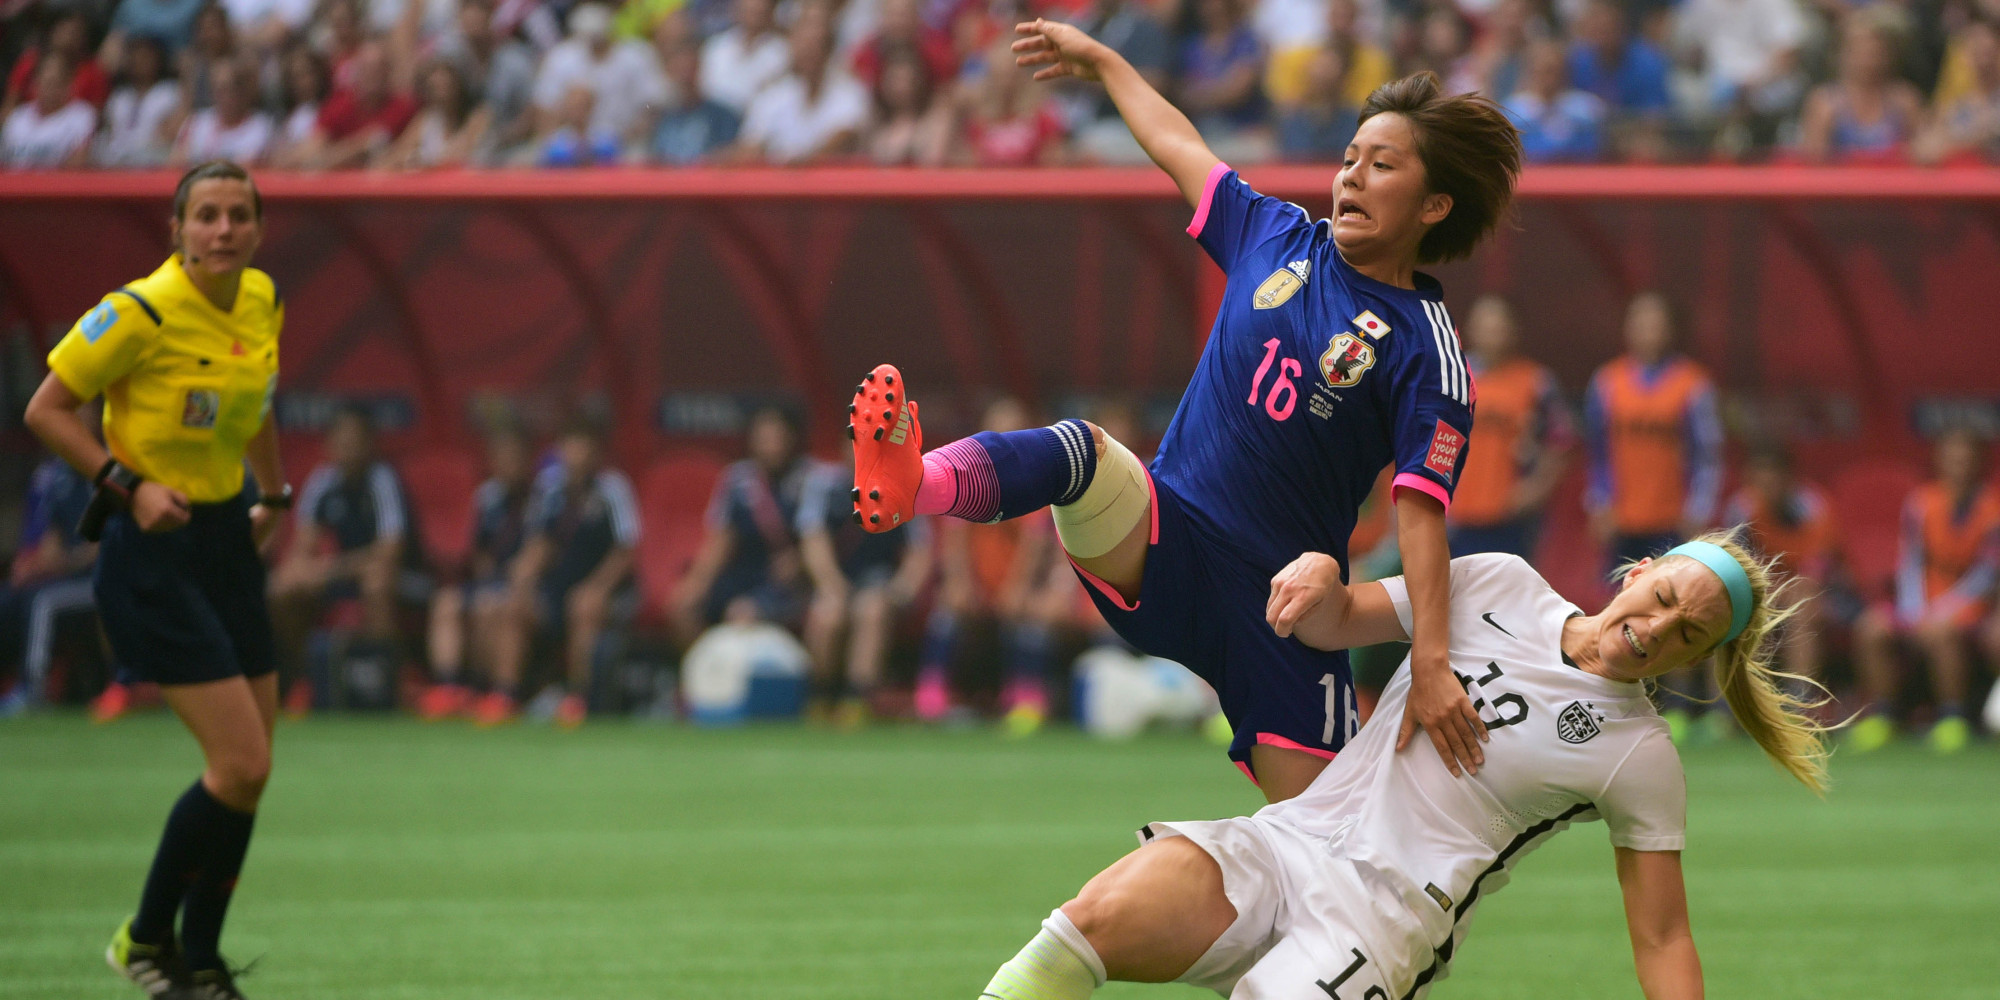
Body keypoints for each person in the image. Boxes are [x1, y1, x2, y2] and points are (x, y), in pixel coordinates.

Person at [850, 20, 1522, 802]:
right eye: (1348, 160)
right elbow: (1178, 143)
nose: (1352, 179)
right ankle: (914, 484)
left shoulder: (1427, 349)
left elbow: (1421, 516)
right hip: (1164, 541)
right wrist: (1104, 63)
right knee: (1084, 452)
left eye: (1382, 166)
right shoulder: (1276, 237)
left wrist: (1432, 665)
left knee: (1336, 863)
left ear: (1436, 203)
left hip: (1282, 609)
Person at [973, 535, 1824, 1000]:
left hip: (1379, 925)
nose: (1658, 629)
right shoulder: (1501, 581)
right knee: (1086, 926)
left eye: (1689, 636)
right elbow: (1336, 621)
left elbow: (1664, 936)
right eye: (1665, 597)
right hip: (1291, 843)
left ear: (1700, 657)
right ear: (1640, 572)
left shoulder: (1639, 756)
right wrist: (1321, 573)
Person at [24, 162, 288, 1000]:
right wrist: (128, 488)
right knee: (238, 761)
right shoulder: (139, 310)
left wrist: (274, 492)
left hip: (225, 539)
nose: (222, 231)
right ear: (176, 230)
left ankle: (202, 964)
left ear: (256, 228)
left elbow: (259, 400)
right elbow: (48, 409)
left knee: (254, 770)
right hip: (153, 552)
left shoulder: (260, 298)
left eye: (237, 216)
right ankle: (143, 942)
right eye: (205, 216)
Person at [910, 398, 1074, 734]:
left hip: (1017, 589)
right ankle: (932, 695)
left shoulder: (1038, 482)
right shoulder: (966, 479)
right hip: (977, 587)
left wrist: (1019, 591)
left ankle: (1026, 700)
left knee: (1029, 620)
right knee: (946, 613)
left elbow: (1035, 547)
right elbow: (954, 545)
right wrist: (959, 584)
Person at [1850, 428, 1999, 755]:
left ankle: (1952, 717)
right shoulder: (1922, 502)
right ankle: (1884, 715)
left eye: (1966, 458)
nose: (1958, 464)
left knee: (1943, 633)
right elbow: (1911, 561)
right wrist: (1914, 609)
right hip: (1922, 600)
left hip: (1972, 603)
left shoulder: (1993, 508)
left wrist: (1943, 611)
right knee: (1871, 628)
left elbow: (1988, 573)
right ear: (1940, 461)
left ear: (1979, 463)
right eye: (1951, 457)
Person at [267, 404, 425, 711]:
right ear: (330, 444)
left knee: (377, 583)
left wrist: (330, 569)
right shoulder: (324, 480)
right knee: (282, 587)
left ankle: (389, 683)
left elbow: (388, 554)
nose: (348, 448)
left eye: (356, 440)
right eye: (342, 440)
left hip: (406, 578)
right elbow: (302, 547)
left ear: (371, 443)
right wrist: (305, 572)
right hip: (346, 575)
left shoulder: (383, 479)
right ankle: (310, 678)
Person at [488, 418, 640, 727]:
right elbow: (538, 543)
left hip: (609, 592)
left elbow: (625, 553)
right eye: (570, 446)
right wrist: (523, 577)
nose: (577, 454)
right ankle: (506, 694)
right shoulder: (548, 488)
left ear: (597, 452)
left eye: (584, 446)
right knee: (512, 605)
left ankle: (577, 697)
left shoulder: (613, 489)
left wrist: (597, 587)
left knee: (583, 605)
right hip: (556, 588)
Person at [1584, 291, 1721, 573]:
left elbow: (1707, 454)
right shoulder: (1606, 382)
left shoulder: (1694, 385)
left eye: (1656, 322)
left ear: (1671, 329)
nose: (1648, 330)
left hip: (1672, 521)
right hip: (1621, 520)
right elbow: (1597, 451)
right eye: (1640, 321)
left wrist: (1698, 510)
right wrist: (1599, 503)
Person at [799, 440, 931, 725]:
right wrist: (831, 584)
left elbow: (918, 551)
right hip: (835, 578)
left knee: (871, 610)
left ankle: (855, 699)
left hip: (879, 579)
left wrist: (903, 588)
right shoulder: (824, 485)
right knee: (828, 614)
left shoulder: (903, 484)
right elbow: (813, 540)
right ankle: (820, 697)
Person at [670, 406, 815, 643]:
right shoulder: (736, 480)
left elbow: (826, 539)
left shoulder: (813, 480)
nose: (772, 446)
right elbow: (720, 539)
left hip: (788, 585)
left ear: (793, 439)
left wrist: (801, 560)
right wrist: (697, 583)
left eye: (778, 438)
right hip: (741, 575)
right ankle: (705, 673)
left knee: (742, 614)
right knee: (683, 607)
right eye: (764, 439)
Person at [1724, 443, 1849, 707]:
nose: (1767, 485)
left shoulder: (1812, 506)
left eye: (1773, 476)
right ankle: (1732, 704)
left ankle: (1799, 700)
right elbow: (1736, 568)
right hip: (1767, 593)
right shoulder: (1742, 508)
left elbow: (1819, 572)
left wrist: (1778, 592)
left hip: (1825, 595)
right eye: (1759, 477)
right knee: (1734, 607)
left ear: (1789, 478)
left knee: (1801, 603)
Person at [421, 426, 534, 721]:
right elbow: (480, 550)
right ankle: (448, 688)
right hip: (491, 582)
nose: (509, 464)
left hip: (528, 589)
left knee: (492, 606)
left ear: (527, 460)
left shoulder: (543, 498)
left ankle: (498, 692)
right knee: (447, 602)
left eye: (516, 457)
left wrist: (516, 578)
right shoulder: (487, 496)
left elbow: (544, 551)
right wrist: (485, 577)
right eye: (503, 457)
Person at [1447, 295, 1570, 560]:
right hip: (1457, 512)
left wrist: (1537, 488)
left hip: (1513, 514)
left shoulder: (1536, 382)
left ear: (1514, 330)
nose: (1493, 333)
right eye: (1485, 326)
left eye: (1499, 326)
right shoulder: (1451, 378)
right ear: (1471, 328)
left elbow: (1561, 442)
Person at [0, 453, 99, 713]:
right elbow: (51, 541)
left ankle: (34, 690)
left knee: (42, 602)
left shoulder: (108, 469)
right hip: (70, 576)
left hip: (104, 579)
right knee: (10, 597)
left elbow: (99, 547)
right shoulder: (58, 475)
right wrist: (35, 567)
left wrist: (63, 562)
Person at [1797, 11, 1924, 163]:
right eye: (1859, 51)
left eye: (1874, 52)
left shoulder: (1905, 100)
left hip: (1893, 183)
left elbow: (1923, 153)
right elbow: (1813, 162)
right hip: (1839, 184)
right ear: (1841, 55)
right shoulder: (1824, 103)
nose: (1867, 60)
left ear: (1888, 54)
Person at [376, 60, 488, 169]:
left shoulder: (478, 118)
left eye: (446, 86)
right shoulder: (425, 120)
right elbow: (395, 155)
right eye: (435, 88)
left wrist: (427, 162)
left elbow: (464, 155)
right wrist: (408, 158)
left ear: (458, 86)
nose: (442, 94)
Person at [97, 35, 180, 167]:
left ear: (158, 60)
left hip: (153, 160)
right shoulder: (119, 96)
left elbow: (169, 134)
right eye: (136, 58)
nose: (140, 62)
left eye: (146, 57)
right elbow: (110, 132)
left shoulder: (169, 93)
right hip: (117, 162)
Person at [171, 59, 273, 166]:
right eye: (218, 89)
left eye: (230, 88)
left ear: (243, 90)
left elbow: (249, 166)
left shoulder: (260, 127)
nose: (223, 96)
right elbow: (176, 160)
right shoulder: (197, 122)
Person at [2, 54, 98, 168]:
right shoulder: (17, 116)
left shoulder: (82, 115)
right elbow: (4, 162)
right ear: (35, 84)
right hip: (16, 183)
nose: (50, 89)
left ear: (69, 84)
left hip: (57, 184)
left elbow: (78, 163)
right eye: (46, 82)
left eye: (55, 83)